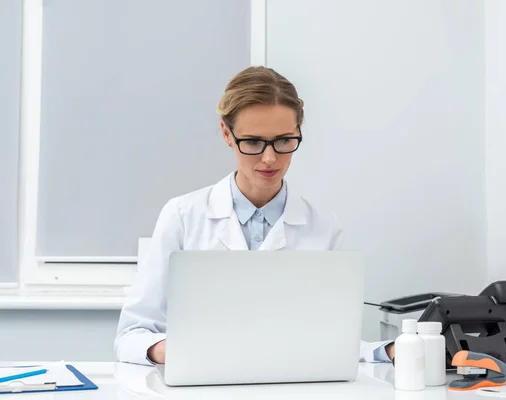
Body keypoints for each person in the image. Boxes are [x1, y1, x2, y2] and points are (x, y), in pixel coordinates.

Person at [114, 66, 395, 365]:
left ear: (299, 132)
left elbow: (338, 343)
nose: (270, 158)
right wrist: (177, 351)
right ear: (227, 134)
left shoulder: (323, 228)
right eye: (253, 142)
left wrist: (389, 352)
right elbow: (132, 335)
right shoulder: (182, 216)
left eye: (284, 141)